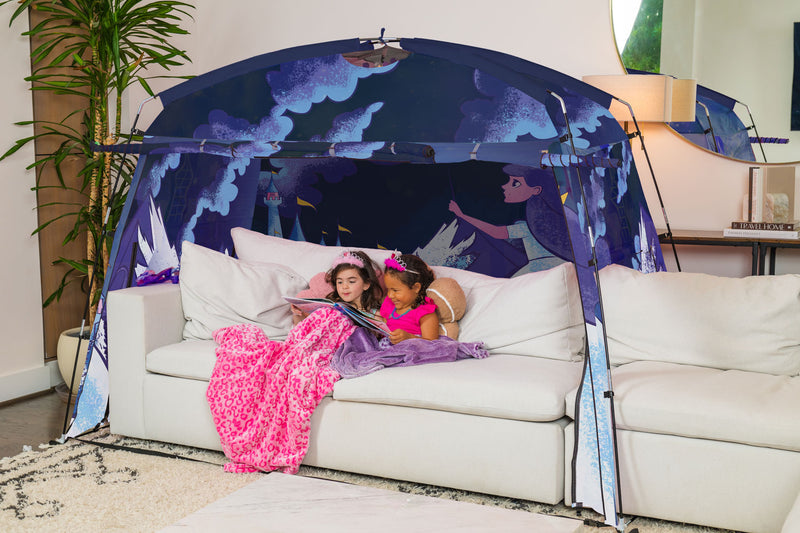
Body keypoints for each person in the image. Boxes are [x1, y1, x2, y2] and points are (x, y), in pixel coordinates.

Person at [206, 250, 384, 474]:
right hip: (302, 346)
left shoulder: (372, 314)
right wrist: (299, 314)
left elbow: (374, 338)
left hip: (327, 351)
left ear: (366, 284)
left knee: (301, 377)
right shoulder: (330, 306)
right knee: (258, 360)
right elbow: (306, 332)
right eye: (340, 282)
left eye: (351, 281)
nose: (345, 287)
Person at [448, 164, 568, 276]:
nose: (504, 186)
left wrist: (462, 215)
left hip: (542, 270)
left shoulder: (536, 223)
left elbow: (497, 232)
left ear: (536, 190)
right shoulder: (542, 219)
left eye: (515, 183)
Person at [380, 253, 440, 344]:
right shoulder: (389, 304)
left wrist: (409, 337)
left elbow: (432, 344)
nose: (390, 295)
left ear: (416, 288)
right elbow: (384, 329)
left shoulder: (424, 312)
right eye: (388, 289)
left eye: (395, 290)